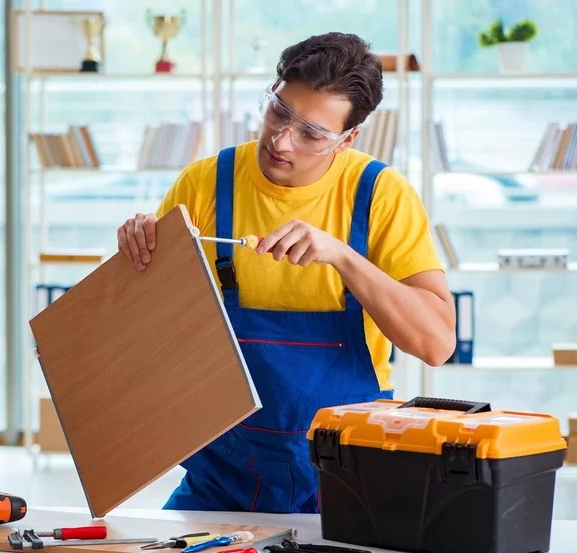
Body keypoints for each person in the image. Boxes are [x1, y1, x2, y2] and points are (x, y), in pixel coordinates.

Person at [117, 32, 456, 514]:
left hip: (347, 472)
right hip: (221, 473)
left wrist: (344, 258)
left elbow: (437, 344)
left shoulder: (381, 195)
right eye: (278, 112)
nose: (280, 140)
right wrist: (139, 252)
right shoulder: (205, 183)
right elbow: (147, 331)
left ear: (347, 140)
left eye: (311, 134)